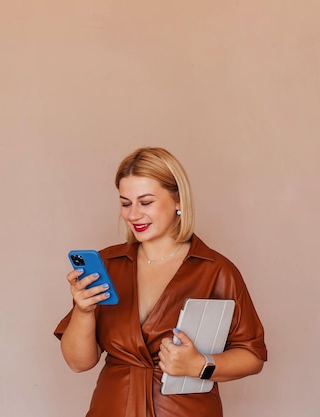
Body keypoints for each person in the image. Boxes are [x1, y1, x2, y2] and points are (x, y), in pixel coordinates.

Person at [54, 147, 267, 417]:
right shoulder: (108, 265)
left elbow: (253, 356)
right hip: (111, 409)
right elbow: (78, 363)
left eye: (145, 202)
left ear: (178, 200)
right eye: (125, 203)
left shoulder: (216, 270)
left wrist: (199, 365)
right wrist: (83, 311)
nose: (133, 215)